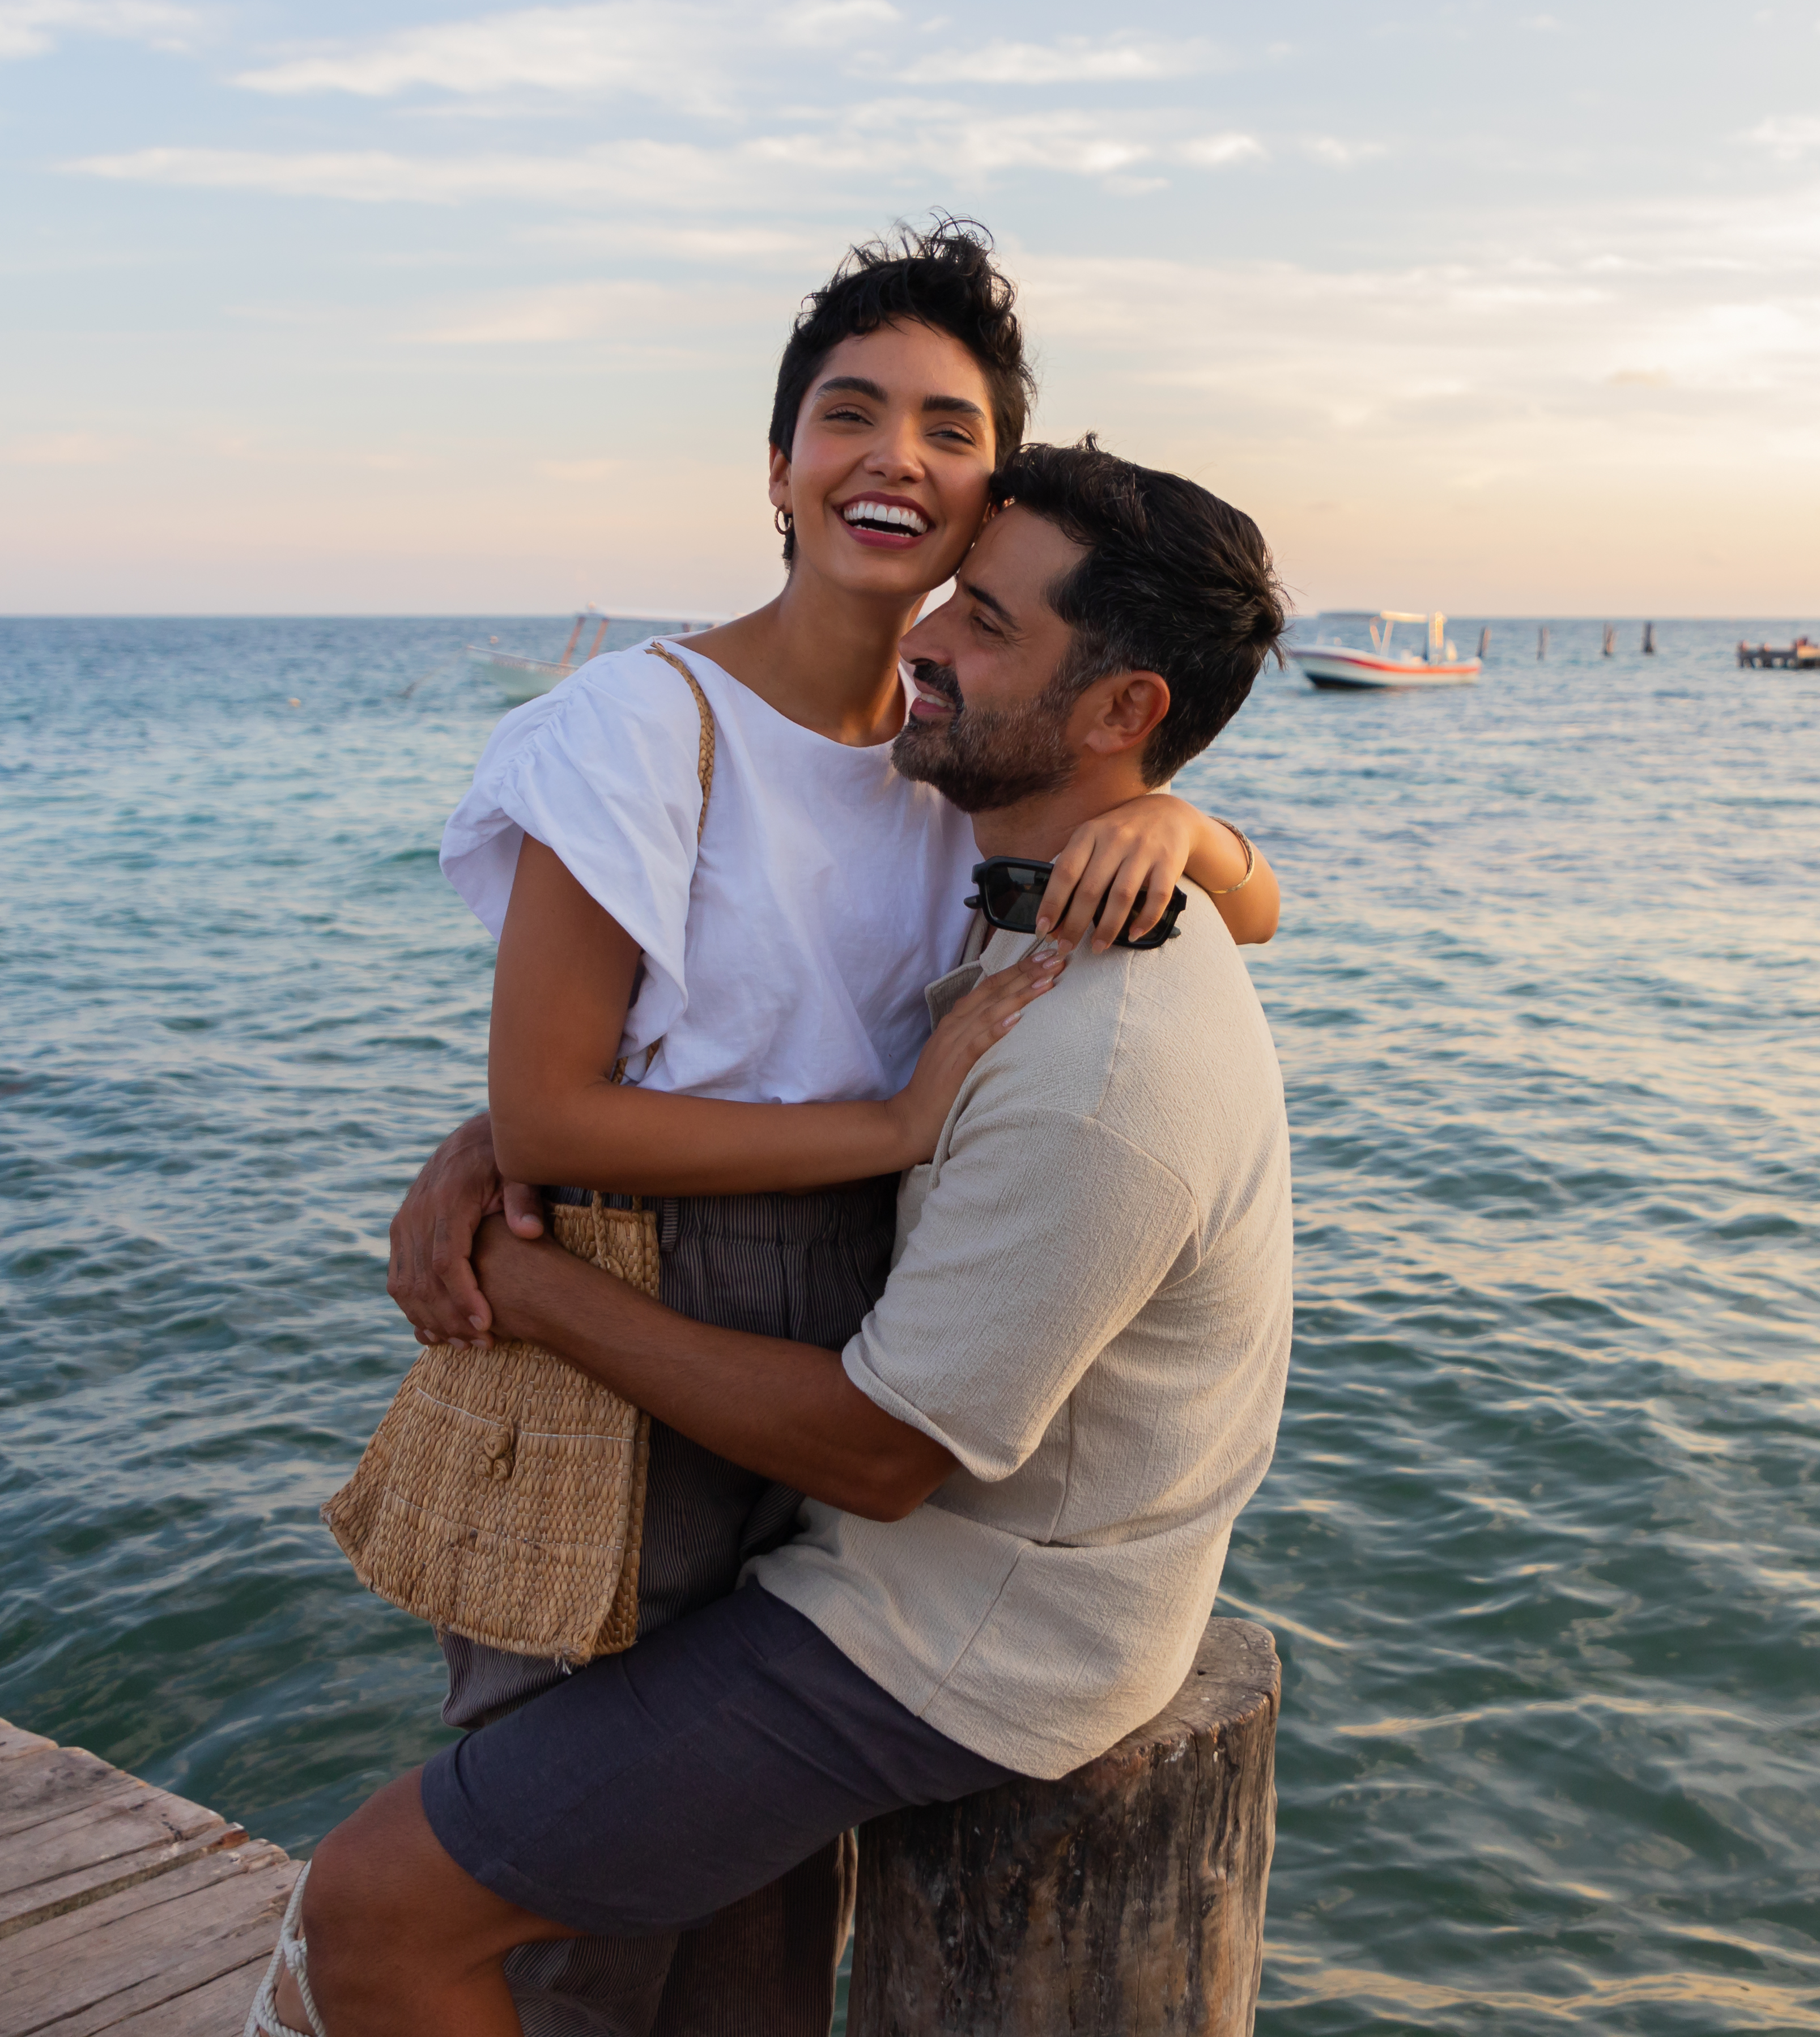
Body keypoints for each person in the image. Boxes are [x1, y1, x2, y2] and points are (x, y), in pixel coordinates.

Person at [358, 226, 1278, 2030]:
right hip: (662, 1315)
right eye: (847, 415)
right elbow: (557, 1099)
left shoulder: (951, 756)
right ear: (776, 468)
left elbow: (1229, 895)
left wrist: (1187, 836)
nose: (896, 460)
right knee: (557, 1919)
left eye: (950, 430)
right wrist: (877, 1127)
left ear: (987, 492)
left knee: (758, 1934)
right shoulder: (649, 724)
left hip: (865, 1324)